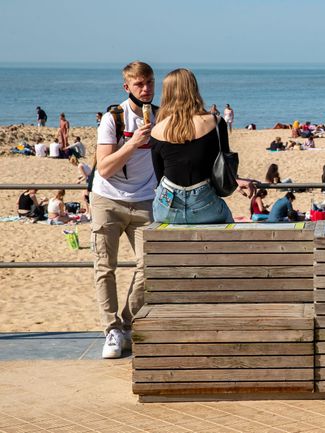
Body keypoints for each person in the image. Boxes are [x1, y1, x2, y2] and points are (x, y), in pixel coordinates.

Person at [90, 61, 158, 359]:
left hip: (146, 200)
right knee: (105, 267)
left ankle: (129, 324)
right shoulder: (112, 118)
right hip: (108, 200)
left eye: (150, 83)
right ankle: (111, 330)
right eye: (139, 84)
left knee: (149, 266)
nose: (145, 89)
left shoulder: (160, 115)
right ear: (127, 86)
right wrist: (133, 144)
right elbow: (104, 168)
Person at [150, 69, 252, 224]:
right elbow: (222, 166)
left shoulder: (157, 130)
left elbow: (159, 177)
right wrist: (236, 180)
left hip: (167, 205)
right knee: (226, 219)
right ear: (194, 90)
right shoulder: (216, 123)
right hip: (203, 203)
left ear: (167, 93)